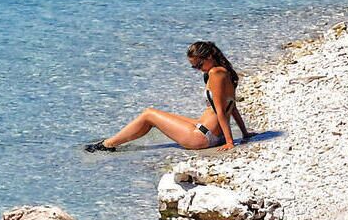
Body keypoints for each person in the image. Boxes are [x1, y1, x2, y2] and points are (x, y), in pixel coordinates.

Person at [84, 41, 251, 152]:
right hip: (212, 133)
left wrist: (230, 142)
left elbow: (221, 111)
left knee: (149, 114)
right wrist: (244, 134)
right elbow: (232, 106)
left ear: (209, 57)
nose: (199, 69)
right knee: (154, 118)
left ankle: (107, 145)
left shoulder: (215, 73)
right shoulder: (225, 72)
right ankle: (113, 143)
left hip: (202, 137)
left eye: (199, 65)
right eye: (194, 68)